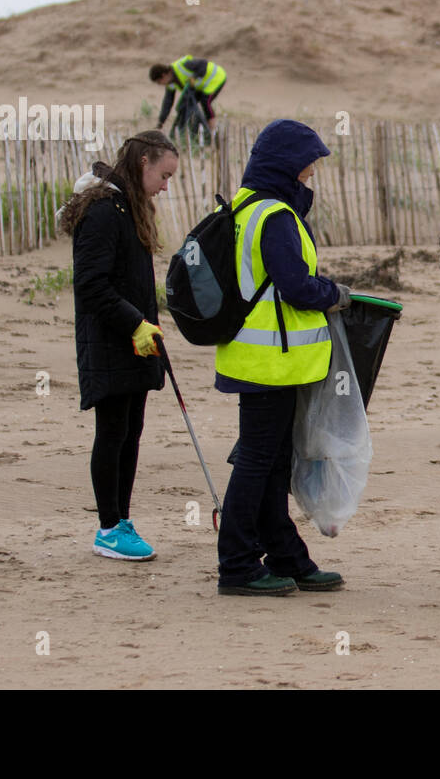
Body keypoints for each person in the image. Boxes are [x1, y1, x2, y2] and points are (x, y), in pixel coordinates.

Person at [214, 119, 354, 596]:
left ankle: (287, 557)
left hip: (259, 358)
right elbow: (295, 286)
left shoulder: (245, 207)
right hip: (271, 360)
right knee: (257, 463)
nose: (310, 175)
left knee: (270, 463)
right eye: (306, 167)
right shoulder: (274, 215)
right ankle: (236, 564)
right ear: (286, 166)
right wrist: (334, 292)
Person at [59, 131, 179, 561]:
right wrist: (134, 324)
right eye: (163, 176)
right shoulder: (103, 211)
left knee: (131, 432)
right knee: (112, 432)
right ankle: (108, 528)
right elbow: (91, 285)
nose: (166, 186)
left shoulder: (130, 207)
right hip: (111, 339)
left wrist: (148, 327)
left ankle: (122, 520)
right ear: (143, 162)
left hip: (136, 341)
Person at [150, 55, 227, 133]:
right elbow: (167, 103)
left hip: (216, 77)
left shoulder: (182, 66)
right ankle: (200, 130)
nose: (161, 85)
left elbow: (203, 63)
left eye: (159, 82)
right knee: (189, 104)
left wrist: (194, 77)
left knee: (205, 101)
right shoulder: (170, 84)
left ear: (163, 76)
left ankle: (212, 129)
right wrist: (161, 122)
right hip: (202, 86)